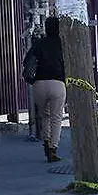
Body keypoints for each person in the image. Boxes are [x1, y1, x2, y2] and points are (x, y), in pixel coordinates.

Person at [24, 16, 66, 163]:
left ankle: (46, 142)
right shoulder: (63, 44)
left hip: (39, 85)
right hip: (57, 83)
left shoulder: (38, 44)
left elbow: (27, 61)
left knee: (45, 116)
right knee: (56, 118)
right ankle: (53, 148)